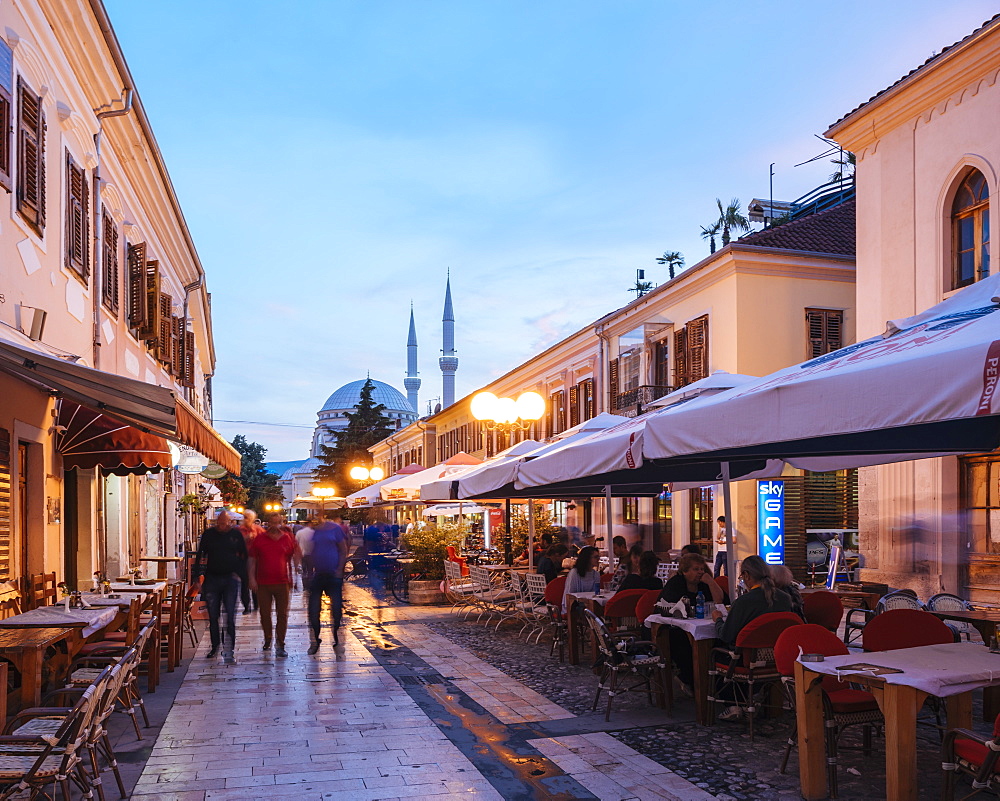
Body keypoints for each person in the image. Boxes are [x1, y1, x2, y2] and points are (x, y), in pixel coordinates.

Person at [712, 555, 793, 720]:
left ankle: (733, 704)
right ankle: (749, 700)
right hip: (776, 659)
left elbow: (726, 635)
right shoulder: (785, 599)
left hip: (747, 661)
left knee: (714, 652)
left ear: (747, 575)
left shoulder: (744, 601)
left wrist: (718, 619)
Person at [658, 553, 724, 696]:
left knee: (719, 640)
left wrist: (711, 582)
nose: (700, 572)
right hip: (672, 627)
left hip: (698, 625)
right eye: (695, 569)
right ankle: (690, 680)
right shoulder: (676, 583)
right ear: (685, 571)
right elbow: (670, 607)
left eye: (702, 569)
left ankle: (712, 682)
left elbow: (721, 602)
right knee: (681, 642)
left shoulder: (703, 585)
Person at [195, 511, 247, 664]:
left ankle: (229, 649)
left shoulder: (236, 536)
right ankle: (215, 646)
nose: (221, 525)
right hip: (212, 579)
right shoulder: (209, 534)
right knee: (213, 616)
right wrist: (197, 577)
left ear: (230, 522)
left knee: (230, 616)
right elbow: (200, 554)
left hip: (230, 579)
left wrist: (242, 576)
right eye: (219, 522)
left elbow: (244, 555)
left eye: (224, 523)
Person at [248, 513, 297, 657]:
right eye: (273, 522)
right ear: (268, 523)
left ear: (281, 523)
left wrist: (293, 578)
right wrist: (251, 578)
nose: (275, 526)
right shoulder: (260, 539)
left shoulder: (286, 538)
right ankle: (268, 638)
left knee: (282, 615)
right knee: (265, 614)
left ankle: (280, 643)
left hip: (282, 582)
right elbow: (252, 560)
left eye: (278, 523)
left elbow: (292, 558)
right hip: (263, 583)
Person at [305, 513, 350, 654]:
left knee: (336, 609)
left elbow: (343, 550)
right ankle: (315, 640)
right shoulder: (315, 532)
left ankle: (337, 638)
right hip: (318, 575)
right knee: (313, 609)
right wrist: (310, 571)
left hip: (333, 575)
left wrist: (339, 570)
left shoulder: (335, 529)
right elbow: (312, 551)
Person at [562, 546, 600, 614]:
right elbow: (571, 594)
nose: (598, 559)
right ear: (587, 558)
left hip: (589, 604)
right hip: (574, 606)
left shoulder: (596, 574)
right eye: (595, 557)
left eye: (598, 557)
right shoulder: (575, 573)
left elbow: (596, 593)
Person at [238, 511, 263, 613]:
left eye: (247, 517)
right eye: (244, 517)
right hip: (243, 559)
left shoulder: (258, 530)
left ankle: (256, 604)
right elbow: (235, 543)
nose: (245, 519)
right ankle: (246, 606)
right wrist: (245, 538)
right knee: (244, 584)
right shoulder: (239, 530)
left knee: (256, 582)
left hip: (256, 560)